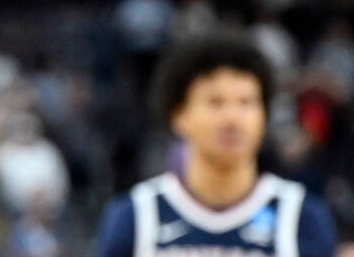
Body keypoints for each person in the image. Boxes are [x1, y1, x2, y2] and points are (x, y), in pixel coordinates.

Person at [94, 32, 338, 257]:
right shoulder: (135, 216)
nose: (232, 119)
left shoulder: (301, 217)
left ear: (264, 116)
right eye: (216, 102)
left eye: (246, 102)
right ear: (178, 115)